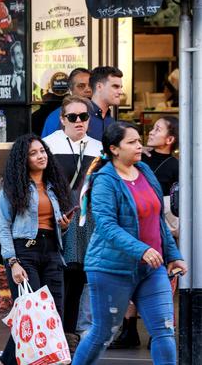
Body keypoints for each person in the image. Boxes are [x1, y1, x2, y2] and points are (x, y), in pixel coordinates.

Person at [72, 122, 187, 364]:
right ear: (114, 149)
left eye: (139, 140)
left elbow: (156, 219)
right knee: (102, 334)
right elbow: (106, 226)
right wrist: (142, 249)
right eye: (132, 142)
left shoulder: (144, 170)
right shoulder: (105, 180)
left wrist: (173, 253)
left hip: (151, 269)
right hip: (110, 269)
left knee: (164, 331)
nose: (139, 146)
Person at [0, 134, 72, 365]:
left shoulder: (53, 186)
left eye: (42, 151)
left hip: (52, 253)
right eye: (33, 153)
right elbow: (4, 228)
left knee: (52, 316)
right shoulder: (13, 188)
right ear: (23, 159)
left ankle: (5, 361)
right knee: (32, 316)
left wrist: (63, 228)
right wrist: (12, 262)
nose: (41, 156)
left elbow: (53, 225)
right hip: (24, 253)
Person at [43, 95, 102, 352]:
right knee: (57, 273)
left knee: (79, 272)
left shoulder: (99, 148)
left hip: (87, 219)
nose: (79, 121)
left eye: (84, 116)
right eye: (72, 117)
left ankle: (71, 330)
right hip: (55, 216)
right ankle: (52, 329)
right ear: (62, 119)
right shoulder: (48, 144)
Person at [41, 68, 92, 138]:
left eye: (91, 85)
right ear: (71, 89)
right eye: (81, 86)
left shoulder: (101, 113)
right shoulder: (56, 117)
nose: (88, 89)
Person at [86, 66, 123, 141]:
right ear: (99, 86)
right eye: (115, 86)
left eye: (120, 87)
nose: (120, 92)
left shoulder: (111, 121)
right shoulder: (79, 117)